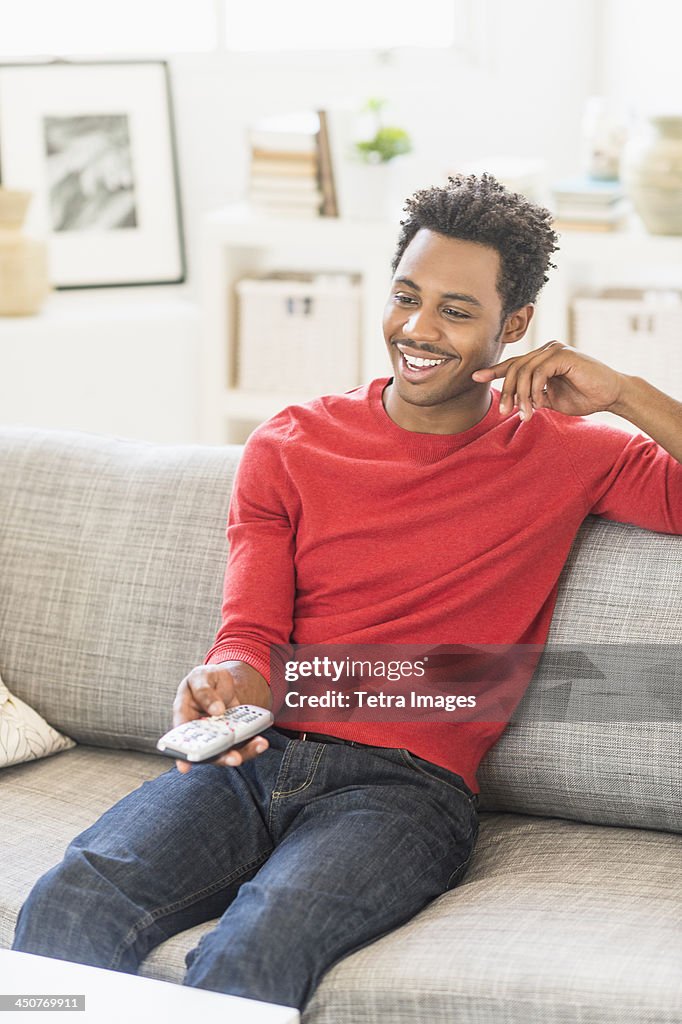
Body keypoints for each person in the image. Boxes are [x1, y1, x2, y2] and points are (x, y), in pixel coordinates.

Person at [13, 174, 682, 1012]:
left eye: (456, 310)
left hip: (407, 789)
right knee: (72, 899)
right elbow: (249, 637)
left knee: (260, 940)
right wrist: (224, 681)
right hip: (251, 759)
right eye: (406, 296)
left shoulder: (571, 451)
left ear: (515, 328)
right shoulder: (292, 443)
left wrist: (624, 393)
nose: (417, 328)